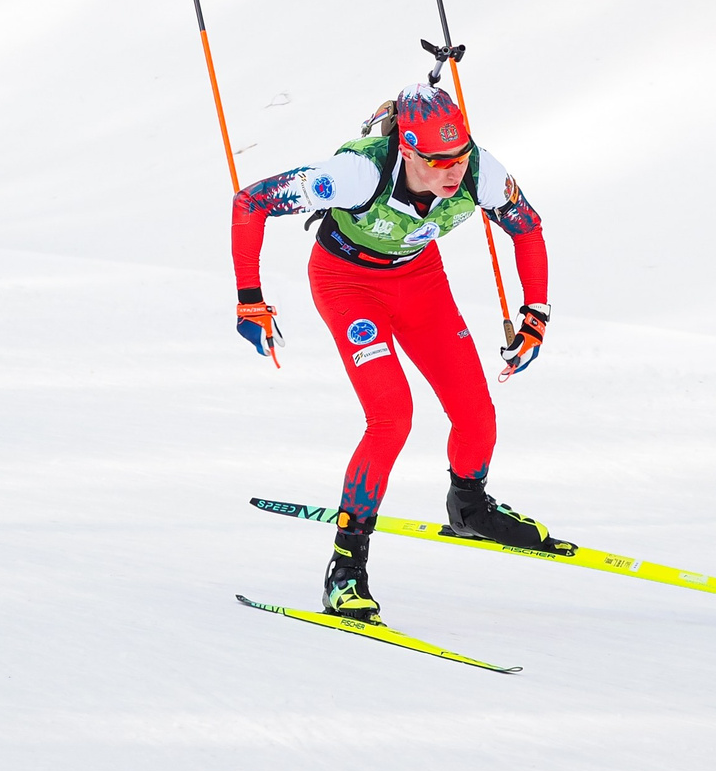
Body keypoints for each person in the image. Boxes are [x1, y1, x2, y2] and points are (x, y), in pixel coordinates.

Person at [231, 81, 562, 622]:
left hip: (420, 281)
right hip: (346, 284)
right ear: (407, 149)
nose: (453, 171)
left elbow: (528, 229)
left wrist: (536, 316)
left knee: (475, 410)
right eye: (436, 160)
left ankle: (470, 507)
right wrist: (250, 301)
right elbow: (251, 202)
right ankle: (346, 570)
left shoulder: (481, 170)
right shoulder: (358, 174)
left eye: (459, 155)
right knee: (392, 417)